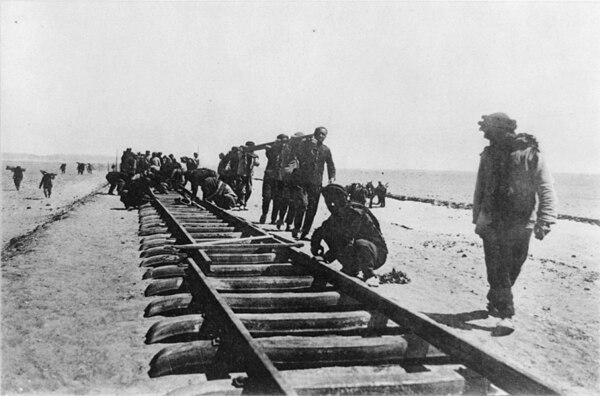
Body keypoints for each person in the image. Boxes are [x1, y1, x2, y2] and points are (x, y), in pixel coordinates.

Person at [473, 112, 557, 336]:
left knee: (513, 266)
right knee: (497, 266)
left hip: (521, 223)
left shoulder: (529, 153)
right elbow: (480, 187)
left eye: (490, 131)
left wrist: (545, 220)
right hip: (491, 221)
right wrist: (477, 217)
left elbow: (545, 187)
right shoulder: (488, 155)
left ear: (503, 130)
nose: (487, 136)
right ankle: (506, 314)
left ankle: (495, 297)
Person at [310, 184, 387, 287]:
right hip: (360, 251)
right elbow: (320, 231)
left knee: (360, 244)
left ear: (342, 199)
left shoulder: (355, 213)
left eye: (333, 201)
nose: (331, 205)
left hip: (376, 253)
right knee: (329, 232)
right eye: (328, 202)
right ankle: (351, 267)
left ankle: (369, 275)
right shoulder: (338, 214)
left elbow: (347, 238)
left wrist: (326, 257)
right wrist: (315, 248)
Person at [291, 127, 336, 240]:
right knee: (302, 205)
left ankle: (305, 233)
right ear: (314, 134)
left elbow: (330, 165)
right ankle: (296, 228)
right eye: (319, 133)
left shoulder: (326, 150)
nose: (321, 136)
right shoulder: (305, 146)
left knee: (312, 209)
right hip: (302, 181)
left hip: (316, 183)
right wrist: (309, 145)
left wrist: (331, 177)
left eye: (323, 134)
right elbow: (296, 153)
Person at [260, 134, 288, 224]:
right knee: (266, 197)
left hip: (280, 178)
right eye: (281, 141)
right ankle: (264, 214)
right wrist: (272, 147)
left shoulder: (288, 151)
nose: (283, 144)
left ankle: (273, 218)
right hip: (269, 177)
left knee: (278, 199)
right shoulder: (272, 150)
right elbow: (270, 156)